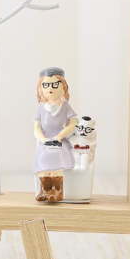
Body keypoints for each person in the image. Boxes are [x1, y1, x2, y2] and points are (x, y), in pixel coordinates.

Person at [32, 67, 78, 202]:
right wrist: (43, 139)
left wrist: (60, 136)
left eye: (54, 84)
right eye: (45, 85)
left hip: (60, 142)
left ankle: (57, 191)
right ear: (40, 88)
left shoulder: (65, 106)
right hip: (45, 143)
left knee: (56, 164)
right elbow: (36, 127)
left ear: (63, 86)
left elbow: (72, 124)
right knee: (43, 164)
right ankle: (45, 190)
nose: (50, 88)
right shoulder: (41, 108)